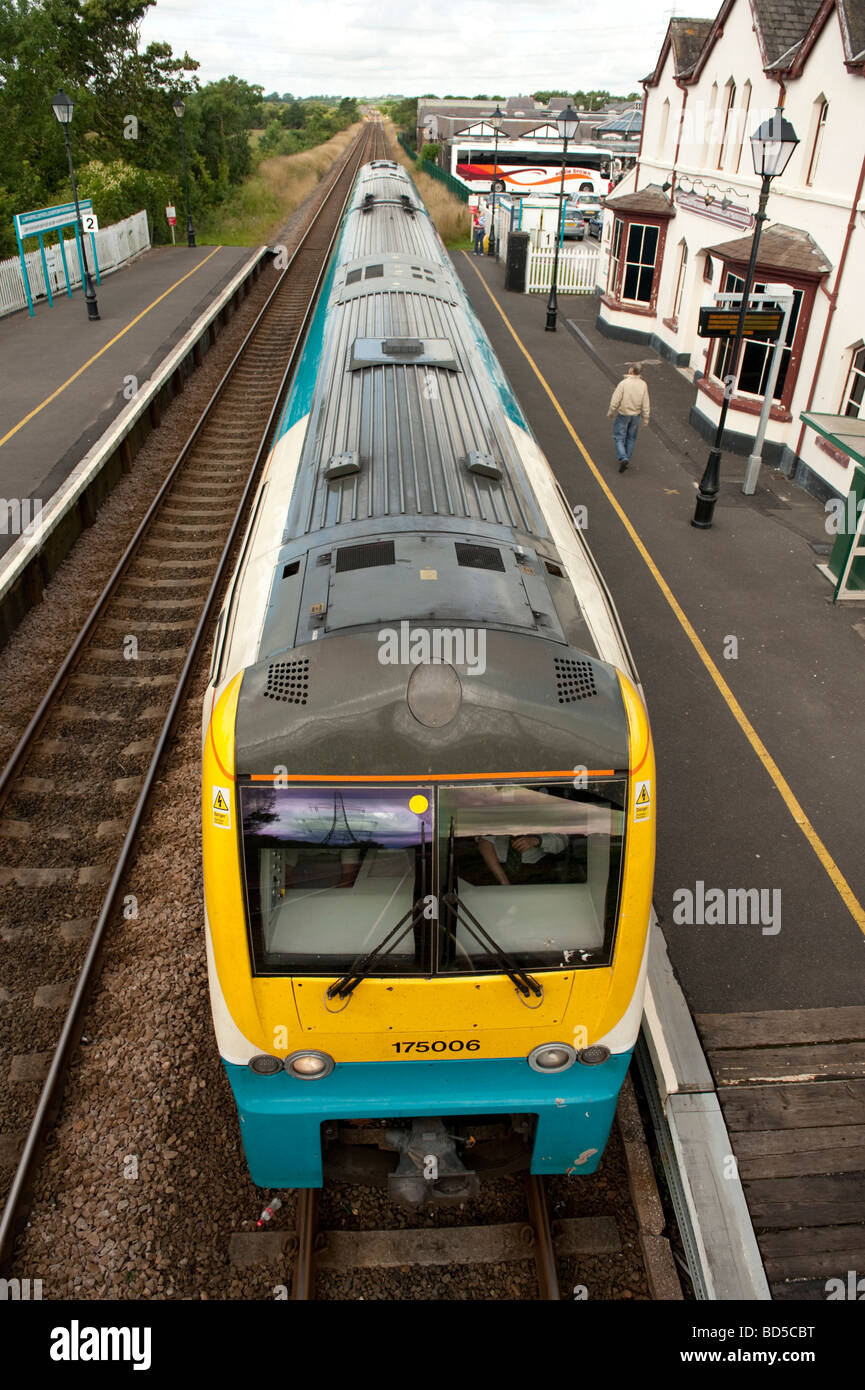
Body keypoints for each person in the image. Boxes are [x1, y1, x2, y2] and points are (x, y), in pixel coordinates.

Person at [607, 363, 650, 473]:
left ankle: (623, 457)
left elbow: (615, 400)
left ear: (631, 370)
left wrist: (611, 412)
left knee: (619, 437)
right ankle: (627, 458)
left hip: (623, 414)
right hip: (636, 416)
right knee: (631, 438)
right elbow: (646, 403)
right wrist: (646, 418)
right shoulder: (643, 385)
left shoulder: (624, 384)